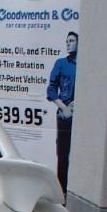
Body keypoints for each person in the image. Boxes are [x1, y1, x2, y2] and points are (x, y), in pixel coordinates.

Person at [46, 31, 78, 194]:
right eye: (67, 41)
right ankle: (62, 191)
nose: (68, 44)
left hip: (81, 115)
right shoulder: (61, 63)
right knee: (63, 154)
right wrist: (63, 108)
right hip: (65, 116)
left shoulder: (86, 65)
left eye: (71, 41)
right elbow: (51, 89)